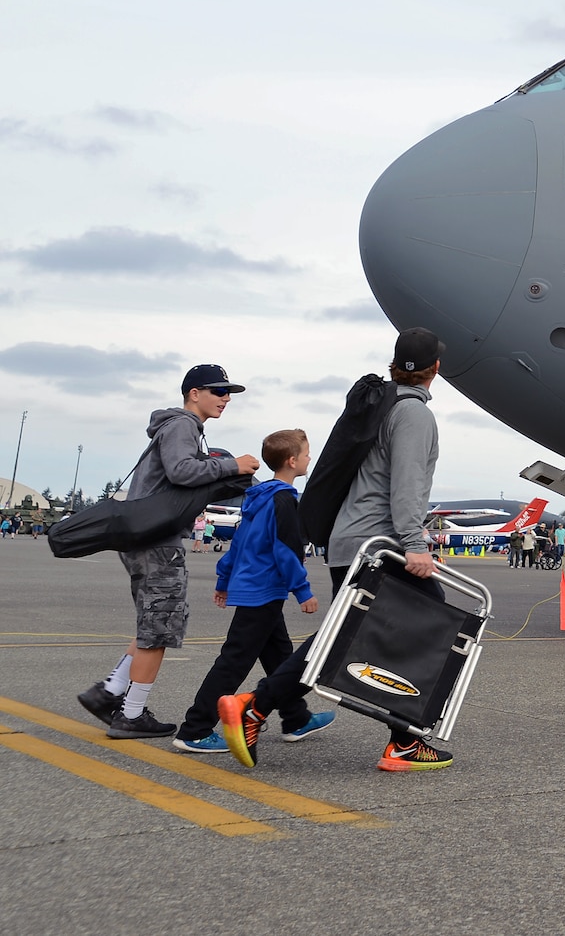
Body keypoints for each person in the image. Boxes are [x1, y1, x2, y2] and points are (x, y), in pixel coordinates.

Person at [219, 327, 455, 772]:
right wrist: (414, 544)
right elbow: (406, 485)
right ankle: (399, 741)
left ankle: (256, 706)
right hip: (380, 544)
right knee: (430, 626)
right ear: (436, 370)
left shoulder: (382, 406)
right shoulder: (413, 415)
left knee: (346, 637)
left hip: (354, 541)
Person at [77, 365, 260, 738]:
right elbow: (181, 471)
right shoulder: (182, 425)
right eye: (218, 391)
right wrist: (232, 465)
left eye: (228, 393)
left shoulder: (176, 426)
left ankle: (109, 690)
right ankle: (131, 714)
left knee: (152, 623)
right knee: (160, 630)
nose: (225, 398)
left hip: (144, 537)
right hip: (157, 542)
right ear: (194, 393)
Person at [173, 430, 334, 753]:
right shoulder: (284, 500)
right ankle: (195, 729)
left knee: (279, 655)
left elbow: (240, 544)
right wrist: (302, 591)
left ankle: (295, 717)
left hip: (254, 589)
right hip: (263, 590)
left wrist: (224, 580)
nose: (309, 459)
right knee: (233, 662)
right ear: (292, 461)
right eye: (306, 454)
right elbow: (285, 550)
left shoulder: (258, 497)